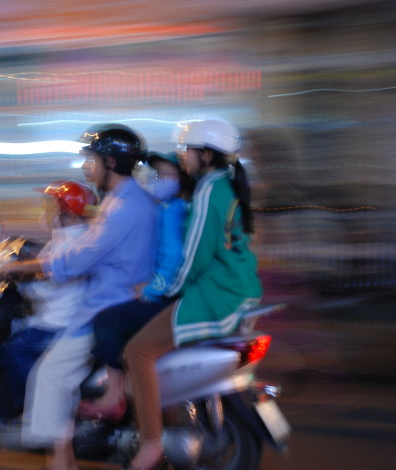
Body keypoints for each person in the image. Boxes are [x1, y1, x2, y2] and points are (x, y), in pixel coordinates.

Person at [0, 124, 156, 470]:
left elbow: (78, 258)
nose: (85, 168)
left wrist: (17, 269)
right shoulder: (126, 201)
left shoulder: (123, 207)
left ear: (110, 162)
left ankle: (61, 460)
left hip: (104, 308)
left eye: (90, 160)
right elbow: (82, 246)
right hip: (114, 301)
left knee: (49, 375)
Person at [123, 119, 263, 470]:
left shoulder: (208, 193)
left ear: (204, 154)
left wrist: (161, 290)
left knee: (138, 351)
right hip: (235, 288)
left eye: (187, 151)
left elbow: (194, 258)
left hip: (216, 295)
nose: (183, 158)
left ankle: (151, 444)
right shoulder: (224, 187)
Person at [77, 150, 192, 421]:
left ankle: (114, 395)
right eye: (157, 173)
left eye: (167, 174)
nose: (159, 179)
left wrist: (152, 289)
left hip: (169, 295)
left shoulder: (174, 210)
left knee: (107, 320)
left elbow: (173, 258)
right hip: (171, 292)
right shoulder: (162, 206)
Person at [0, 180, 96, 414]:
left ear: (67, 211)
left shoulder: (70, 243)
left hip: (59, 321)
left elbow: (50, 289)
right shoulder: (66, 237)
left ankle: (32, 409)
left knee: (12, 351)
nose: (46, 212)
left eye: (51, 207)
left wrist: (21, 286)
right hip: (57, 315)